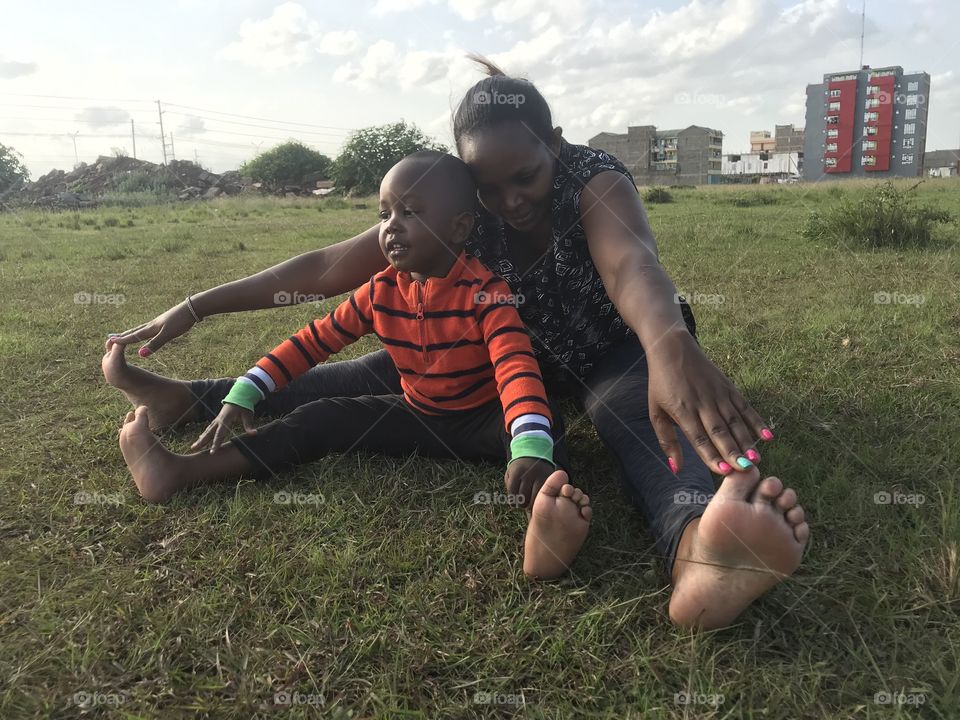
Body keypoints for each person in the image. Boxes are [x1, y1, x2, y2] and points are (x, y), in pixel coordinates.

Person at [103, 56, 809, 629]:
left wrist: (667, 344)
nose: (509, 201)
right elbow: (323, 271)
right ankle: (185, 401)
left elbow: (631, 263)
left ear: (552, 143)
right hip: (486, 363)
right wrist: (198, 305)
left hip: (609, 353)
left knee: (641, 419)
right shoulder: (458, 210)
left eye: (524, 177)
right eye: (487, 187)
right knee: (345, 381)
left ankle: (699, 554)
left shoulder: (592, 179)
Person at [115, 150, 591, 580]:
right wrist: (247, 390)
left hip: (485, 419)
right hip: (417, 415)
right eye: (384, 213)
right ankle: (182, 471)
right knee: (320, 418)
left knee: (545, 431)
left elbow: (515, 366)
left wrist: (528, 444)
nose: (391, 226)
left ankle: (546, 528)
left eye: (411, 212)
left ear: (459, 228)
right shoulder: (379, 291)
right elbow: (313, 341)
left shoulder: (487, 293)